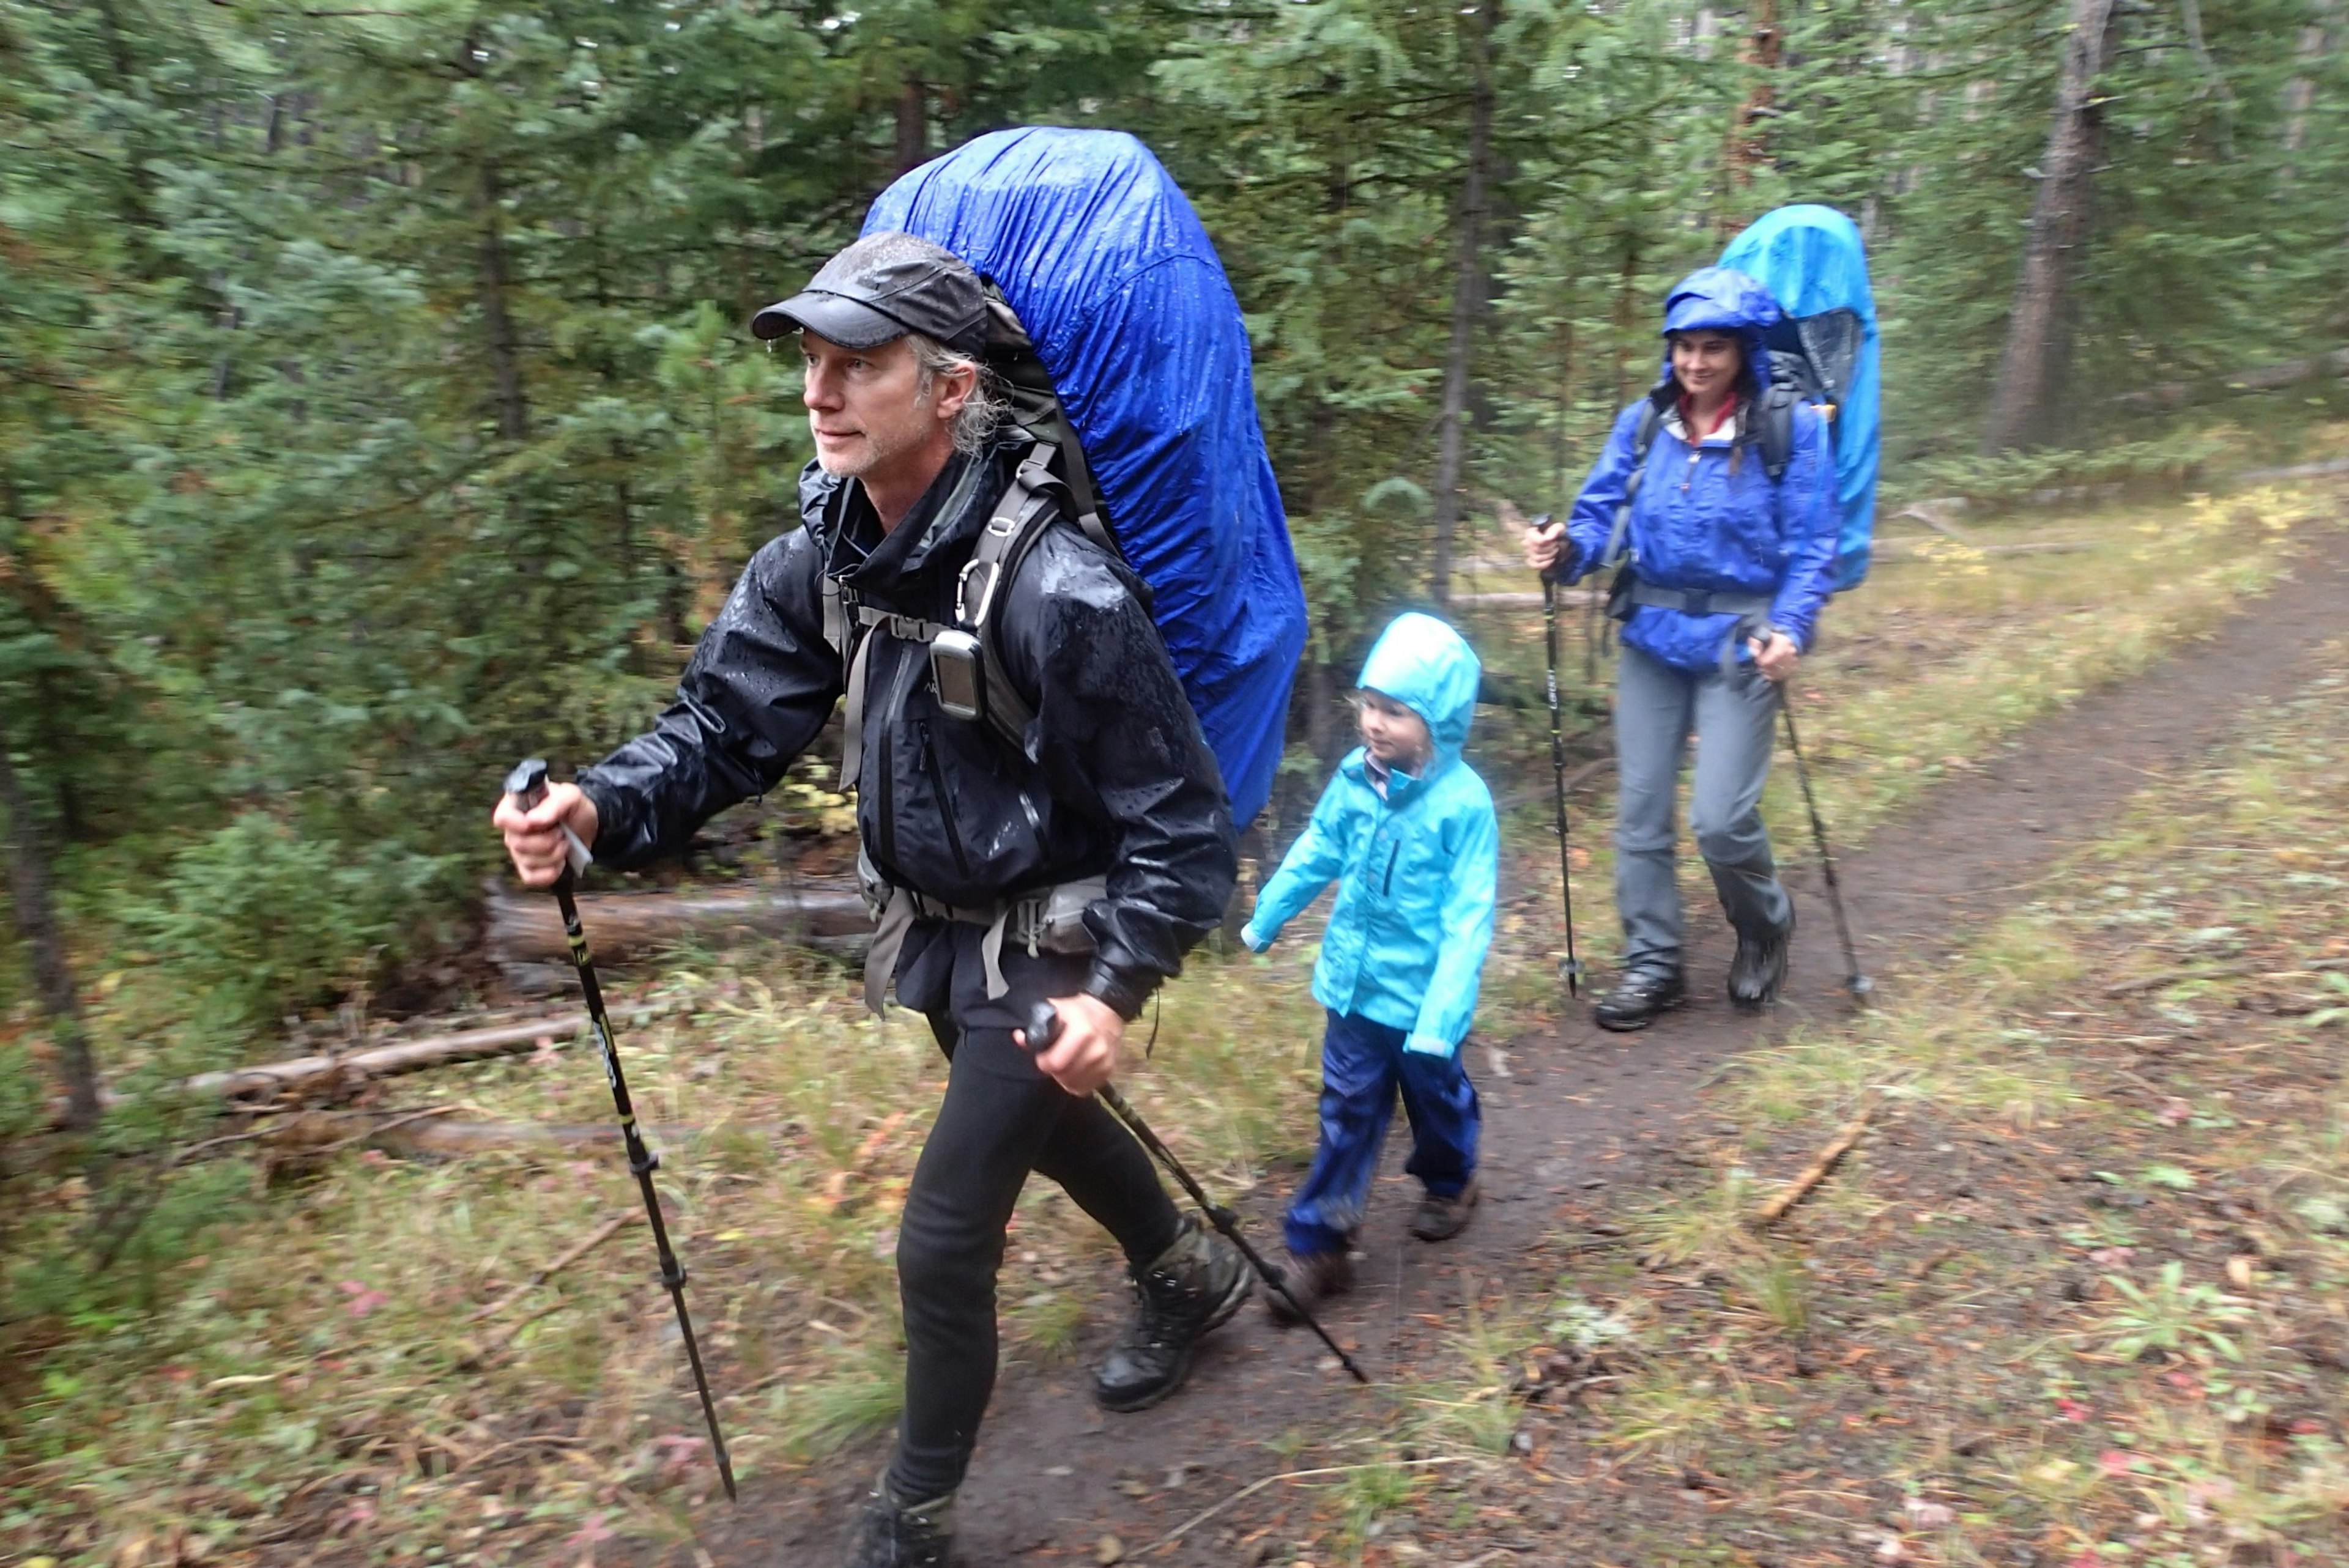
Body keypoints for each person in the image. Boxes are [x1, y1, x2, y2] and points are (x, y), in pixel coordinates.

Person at [492, 232, 1247, 1568]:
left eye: (859, 364)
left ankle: (913, 1516)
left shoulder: (1059, 587)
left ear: (950, 390)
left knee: (942, 1236)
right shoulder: (826, 555)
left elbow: (1180, 821)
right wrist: (596, 808)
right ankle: (1187, 1274)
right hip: (943, 930)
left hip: (1052, 933)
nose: (819, 391)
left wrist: (1118, 986)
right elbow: (723, 726)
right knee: (1055, 1128)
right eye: (811, 362)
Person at [1522, 265, 1836, 1032]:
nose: (1696, 363)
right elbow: (1598, 520)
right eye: (1685, 347)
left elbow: (1815, 543)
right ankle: (1653, 962)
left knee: (1721, 819)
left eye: (1714, 349)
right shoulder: (1643, 424)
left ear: (1744, 351)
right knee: (1640, 812)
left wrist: (1792, 627)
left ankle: (1765, 922)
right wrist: (1565, 551)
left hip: (1742, 639)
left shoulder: (1792, 427)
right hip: (1654, 634)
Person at [1238, 612, 1497, 1315]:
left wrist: (1442, 1018)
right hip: (1353, 990)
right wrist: (1269, 913)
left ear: (1438, 719)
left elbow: (1467, 919)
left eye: (1397, 712)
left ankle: (1452, 1178)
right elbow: (1318, 847)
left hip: (1422, 1005)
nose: (1376, 724)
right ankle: (1320, 1244)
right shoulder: (1356, 779)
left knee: (1436, 1100)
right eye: (1370, 705)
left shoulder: (1463, 806)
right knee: (1347, 1112)